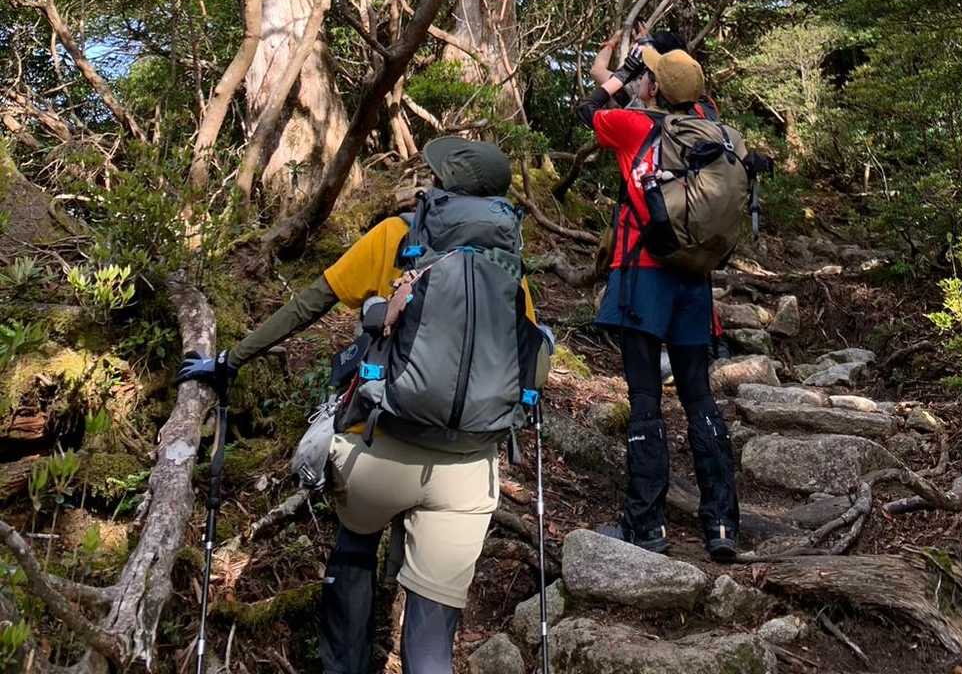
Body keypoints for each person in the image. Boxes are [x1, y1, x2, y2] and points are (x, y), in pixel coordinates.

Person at [177, 137, 550, 674]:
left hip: (379, 452)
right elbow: (532, 360)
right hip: (468, 470)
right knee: (432, 635)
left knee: (355, 542)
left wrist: (229, 361)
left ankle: (345, 658)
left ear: (443, 185)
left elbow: (310, 304)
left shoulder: (398, 235)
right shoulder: (507, 264)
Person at [577, 41, 739, 561]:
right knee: (699, 399)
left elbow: (588, 110)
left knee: (645, 400)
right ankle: (721, 524)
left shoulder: (635, 127)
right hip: (694, 280)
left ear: (651, 87)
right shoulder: (716, 131)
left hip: (642, 279)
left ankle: (646, 524)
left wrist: (623, 72)